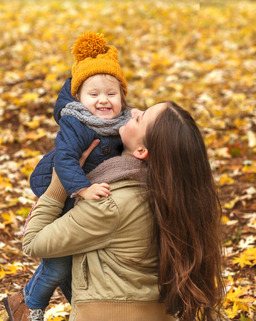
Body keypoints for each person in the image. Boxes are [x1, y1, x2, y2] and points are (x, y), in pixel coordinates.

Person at [22, 101, 224, 321]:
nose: (133, 112)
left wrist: (60, 182)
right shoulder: (169, 196)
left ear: (140, 151)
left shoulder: (111, 203)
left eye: (139, 118)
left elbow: (32, 242)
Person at [3, 32, 141, 321]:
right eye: (94, 95)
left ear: (122, 96)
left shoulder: (121, 120)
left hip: (89, 200)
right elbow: (65, 159)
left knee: (72, 258)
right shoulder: (76, 122)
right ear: (78, 97)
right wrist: (82, 189)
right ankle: (30, 306)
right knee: (58, 265)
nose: (103, 101)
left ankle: (55, 304)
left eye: (111, 94)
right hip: (67, 193)